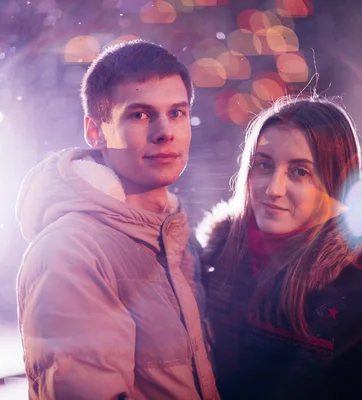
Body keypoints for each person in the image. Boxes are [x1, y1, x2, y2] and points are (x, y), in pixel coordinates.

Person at [197, 96, 362, 399]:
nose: (273, 189)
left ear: (334, 183)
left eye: (300, 172)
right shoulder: (212, 264)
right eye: (263, 164)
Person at [15, 40, 218, 400]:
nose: (164, 131)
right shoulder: (72, 250)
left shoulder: (179, 239)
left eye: (177, 113)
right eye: (139, 114)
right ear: (95, 131)